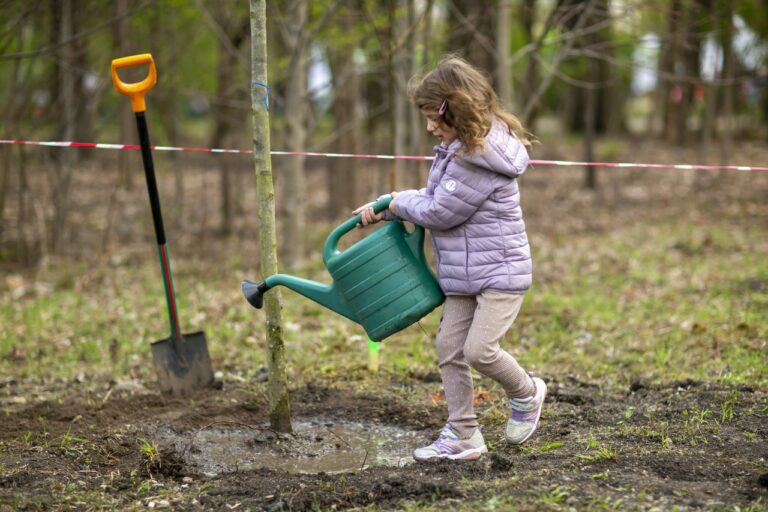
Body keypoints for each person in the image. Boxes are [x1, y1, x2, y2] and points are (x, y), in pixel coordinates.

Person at [354, 56, 545, 462]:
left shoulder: (480, 156)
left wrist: (397, 200)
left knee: (479, 350)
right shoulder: (457, 148)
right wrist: (389, 207)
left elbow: (441, 212)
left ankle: (528, 393)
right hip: (463, 272)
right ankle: (463, 434)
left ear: (456, 110)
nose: (428, 127)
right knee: (448, 346)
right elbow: (436, 201)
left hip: (499, 272)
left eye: (432, 118)